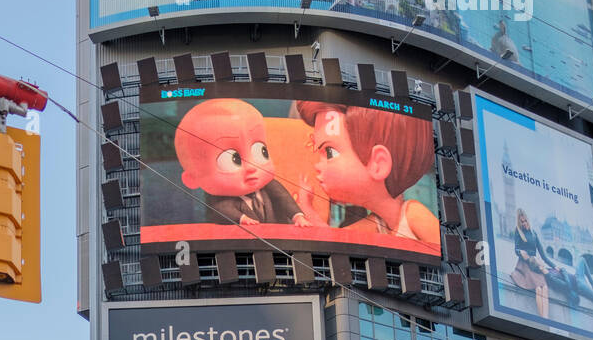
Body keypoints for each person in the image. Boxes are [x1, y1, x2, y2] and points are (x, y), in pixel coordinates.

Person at [295, 100, 441, 249]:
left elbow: (449, 258)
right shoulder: (378, 222)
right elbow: (334, 239)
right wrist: (306, 206)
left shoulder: (414, 214)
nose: (317, 166)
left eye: (329, 152)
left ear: (379, 163)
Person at [174, 98, 309, 228]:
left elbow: (284, 200)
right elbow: (223, 210)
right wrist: (242, 219)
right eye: (232, 159)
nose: (252, 167)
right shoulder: (219, 202)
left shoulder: (270, 186)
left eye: (260, 151)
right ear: (192, 179)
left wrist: (298, 216)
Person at [510, 209, 555, 319]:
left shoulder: (534, 233)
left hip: (534, 264)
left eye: (525, 221)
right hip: (525, 264)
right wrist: (521, 252)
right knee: (538, 288)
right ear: (519, 222)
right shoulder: (518, 232)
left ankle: (546, 318)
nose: (524, 223)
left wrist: (554, 266)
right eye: (521, 222)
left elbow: (543, 254)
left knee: (545, 287)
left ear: (527, 220)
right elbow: (516, 249)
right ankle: (543, 318)